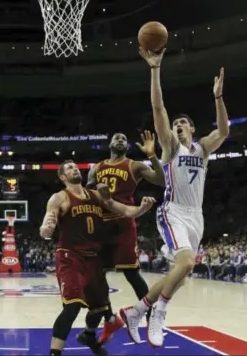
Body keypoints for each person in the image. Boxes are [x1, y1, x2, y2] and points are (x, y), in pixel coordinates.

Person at [120, 49, 230, 347]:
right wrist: (155, 69)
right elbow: (158, 109)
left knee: (179, 275)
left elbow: (224, 130)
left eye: (184, 123)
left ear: (193, 129)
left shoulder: (203, 149)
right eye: (176, 123)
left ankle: (136, 310)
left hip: (197, 217)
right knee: (186, 264)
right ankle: (157, 312)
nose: (178, 125)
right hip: (173, 212)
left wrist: (218, 98)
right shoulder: (170, 147)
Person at [39, 160, 156, 356]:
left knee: (100, 308)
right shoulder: (59, 198)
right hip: (70, 256)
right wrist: (47, 229)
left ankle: (90, 340)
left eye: (76, 167)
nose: (75, 168)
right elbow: (45, 228)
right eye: (69, 168)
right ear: (63, 177)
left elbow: (126, 211)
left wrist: (143, 208)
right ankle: (54, 353)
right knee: (73, 306)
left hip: (93, 258)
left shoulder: (95, 196)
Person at [86, 130, 165, 342]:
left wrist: (151, 155)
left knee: (132, 273)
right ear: (110, 143)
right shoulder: (97, 167)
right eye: (116, 137)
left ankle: (151, 318)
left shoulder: (134, 165)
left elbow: (161, 180)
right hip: (101, 224)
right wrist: (94, 186)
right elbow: (86, 190)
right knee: (96, 277)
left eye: (123, 138)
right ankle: (110, 320)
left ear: (126, 147)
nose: (120, 139)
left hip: (123, 222)